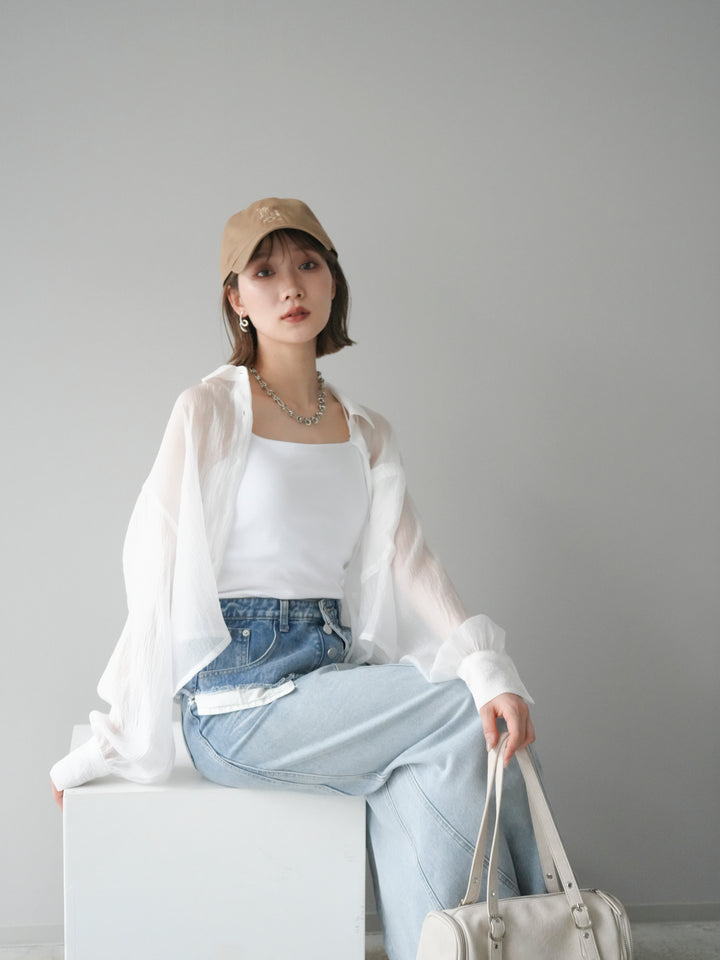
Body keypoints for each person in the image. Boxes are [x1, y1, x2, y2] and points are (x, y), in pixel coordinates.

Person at [51, 197, 546, 960]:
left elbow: (413, 562)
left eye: (308, 265)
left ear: (332, 281)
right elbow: (157, 565)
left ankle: (462, 946)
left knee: (461, 739)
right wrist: (112, 739)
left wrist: (488, 666)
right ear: (236, 298)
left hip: (328, 676)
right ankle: (532, 933)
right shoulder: (210, 409)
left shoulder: (366, 430)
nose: (291, 287)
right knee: (460, 707)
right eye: (265, 271)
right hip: (237, 703)